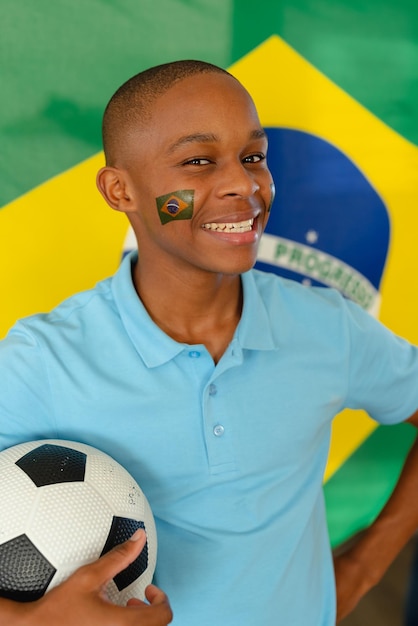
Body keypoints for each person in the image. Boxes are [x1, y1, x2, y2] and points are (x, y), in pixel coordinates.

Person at [0, 59, 418, 626]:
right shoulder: (43, 361)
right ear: (120, 189)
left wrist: (365, 566)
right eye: (198, 161)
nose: (243, 185)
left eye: (254, 158)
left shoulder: (326, 328)